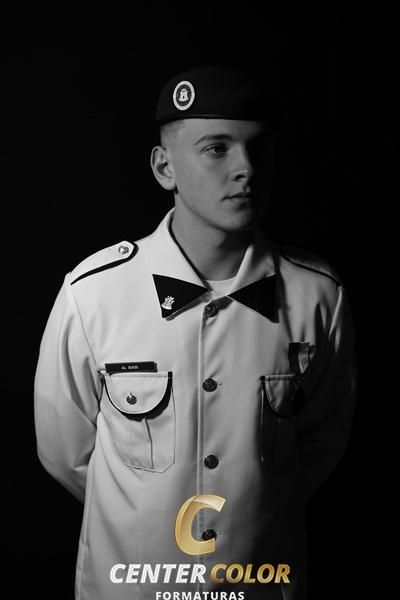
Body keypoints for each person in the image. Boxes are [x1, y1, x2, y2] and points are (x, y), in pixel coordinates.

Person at [34, 65, 357, 600]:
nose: (245, 169)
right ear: (165, 168)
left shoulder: (317, 295)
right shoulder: (93, 293)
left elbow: (322, 443)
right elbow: (65, 452)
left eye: (259, 148)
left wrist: (253, 508)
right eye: (217, 149)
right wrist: (143, 512)